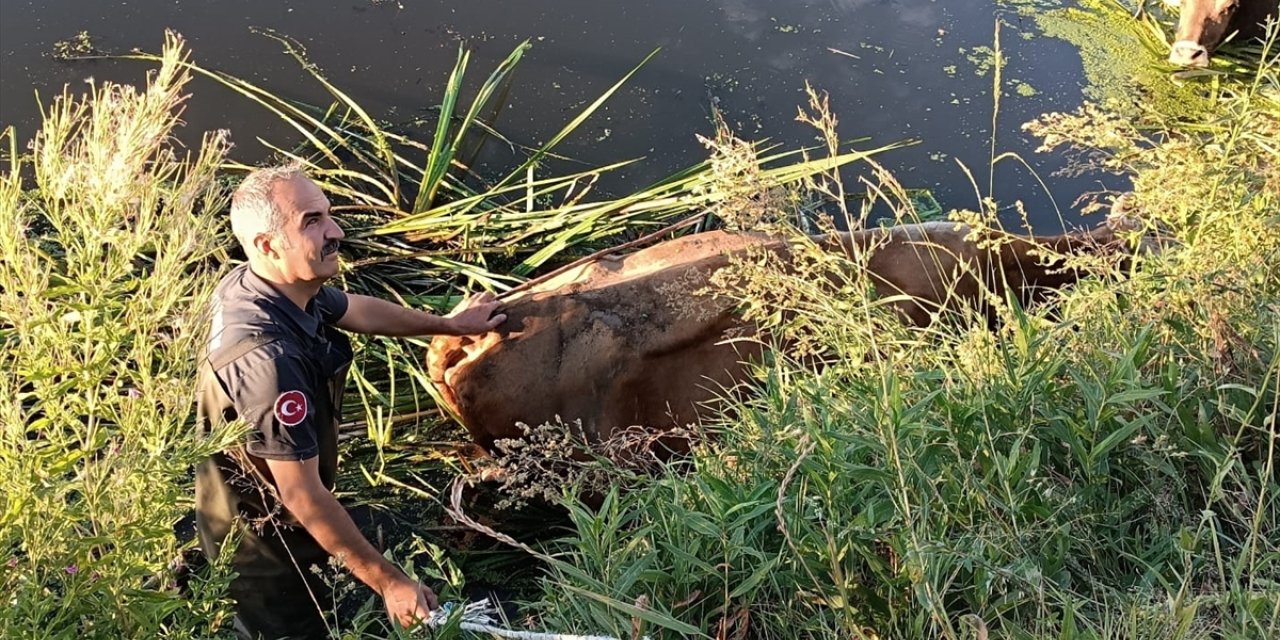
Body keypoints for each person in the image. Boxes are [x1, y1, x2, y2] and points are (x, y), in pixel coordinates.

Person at [194, 165, 506, 639]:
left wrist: (449, 324)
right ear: (267, 244)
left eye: (329, 215)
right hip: (267, 545)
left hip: (272, 511)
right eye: (312, 221)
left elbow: (354, 309)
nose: (335, 231)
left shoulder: (268, 284)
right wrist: (391, 582)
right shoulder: (270, 365)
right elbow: (304, 498)